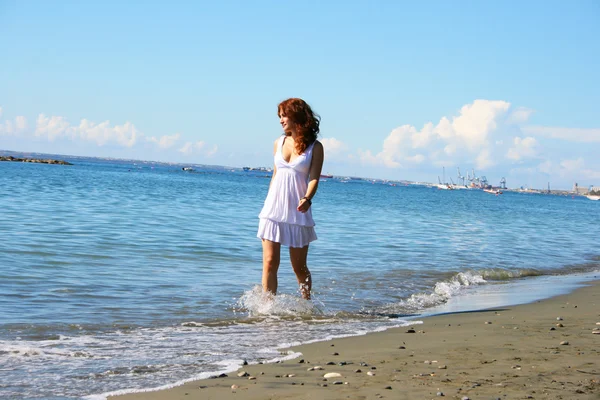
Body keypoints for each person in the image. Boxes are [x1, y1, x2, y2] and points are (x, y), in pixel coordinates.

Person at [257, 98, 324, 300]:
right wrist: (267, 204)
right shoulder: (279, 142)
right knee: (269, 262)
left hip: (298, 210)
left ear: (296, 116)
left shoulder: (315, 147)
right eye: (280, 116)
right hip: (273, 209)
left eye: (284, 115)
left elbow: (314, 178)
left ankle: (307, 304)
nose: (281, 120)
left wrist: (307, 198)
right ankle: (267, 308)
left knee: (299, 267)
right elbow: (276, 175)